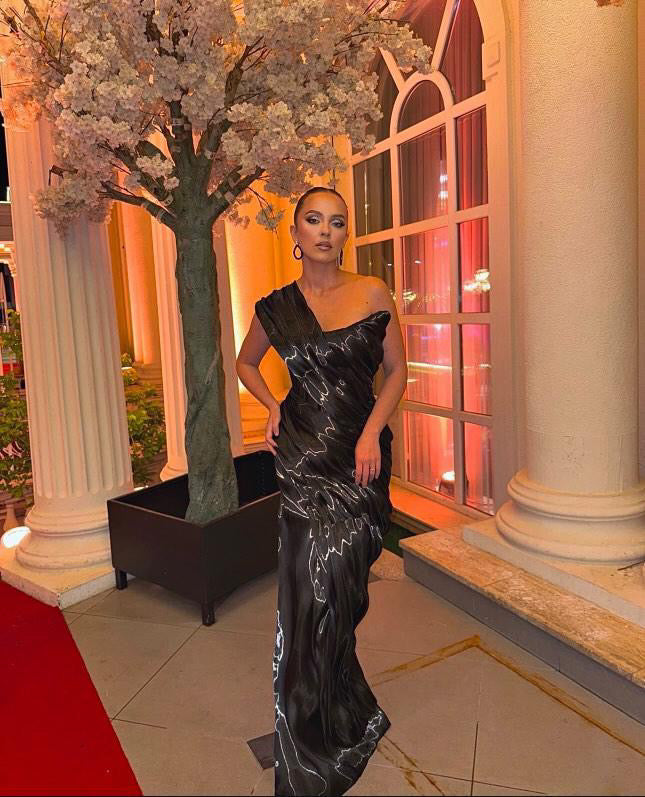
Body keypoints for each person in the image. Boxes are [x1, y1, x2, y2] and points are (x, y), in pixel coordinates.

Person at [236, 186, 407, 796]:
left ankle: (342, 707)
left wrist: (372, 432)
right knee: (307, 599)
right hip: (303, 459)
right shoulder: (276, 307)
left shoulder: (373, 292)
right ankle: (306, 730)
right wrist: (272, 405)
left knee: (343, 590)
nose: (326, 231)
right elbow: (245, 363)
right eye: (314, 220)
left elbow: (397, 372)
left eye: (337, 222)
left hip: (360, 463)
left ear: (344, 233)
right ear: (296, 233)